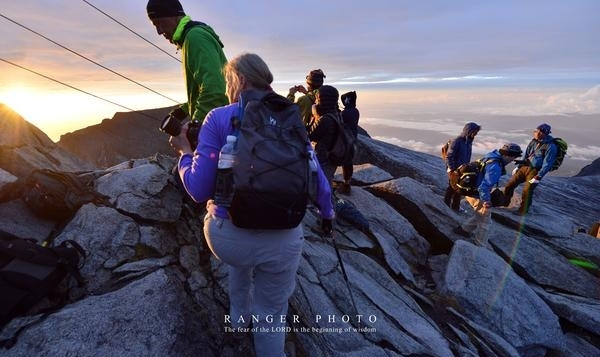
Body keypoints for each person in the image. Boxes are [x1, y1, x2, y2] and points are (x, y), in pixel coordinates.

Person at [168, 53, 335, 357]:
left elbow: (197, 189)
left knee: (236, 248)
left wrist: (184, 153)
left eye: (229, 81)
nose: (228, 89)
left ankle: (239, 317)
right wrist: (328, 213)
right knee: (271, 311)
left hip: (228, 240)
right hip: (284, 238)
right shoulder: (291, 118)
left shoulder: (218, 117)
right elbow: (317, 177)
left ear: (241, 80)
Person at [146, 0, 228, 124]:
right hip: (220, 121)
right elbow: (203, 87)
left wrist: (195, 125)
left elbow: (214, 88)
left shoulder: (195, 37)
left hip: (220, 126)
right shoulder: (190, 38)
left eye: (159, 23)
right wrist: (183, 110)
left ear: (173, 15)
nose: (159, 31)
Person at [453, 143, 523, 246]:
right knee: (485, 221)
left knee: (480, 214)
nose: (513, 160)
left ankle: (463, 230)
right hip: (477, 193)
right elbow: (484, 187)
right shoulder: (495, 167)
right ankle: (480, 245)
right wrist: (486, 201)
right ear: (507, 155)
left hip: (470, 189)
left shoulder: (491, 156)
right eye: (513, 157)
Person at [502, 123, 558, 216]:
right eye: (535, 131)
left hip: (535, 171)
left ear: (543, 133)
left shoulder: (551, 147)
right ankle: (504, 202)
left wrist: (539, 176)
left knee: (527, 191)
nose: (535, 133)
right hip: (525, 167)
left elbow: (547, 163)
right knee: (509, 185)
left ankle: (523, 211)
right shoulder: (533, 142)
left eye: (537, 131)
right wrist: (519, 167)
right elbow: (527, 155)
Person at [307, 85, 340, 186]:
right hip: (332, 157)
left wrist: (316, 115)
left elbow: (309, 136)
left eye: (317, 98)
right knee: (327, 182)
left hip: (323, 159)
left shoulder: (325, 119)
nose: (316, 101)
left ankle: (328, 201)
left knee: (320, 187)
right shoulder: (337, 113)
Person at [444, 122, 481, 211]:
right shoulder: (457, 141)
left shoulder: (468, 141)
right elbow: (449, 156)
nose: (476, 134)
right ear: (469, 131)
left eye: (476, 132)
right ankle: (446, 205)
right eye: (475, 132)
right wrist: (453, 169)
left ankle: (455, 207)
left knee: (460, 188)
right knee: (452, 187)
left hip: (463, 169)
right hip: (455, 169)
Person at [337, 91, 360, 195]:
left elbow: (340, 123)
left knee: (344, 161)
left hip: (345, 140)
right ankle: (347, 182)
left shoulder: (345, 113)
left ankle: (346, 186)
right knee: (348, 161)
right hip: (352, 138)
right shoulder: (355, 111)